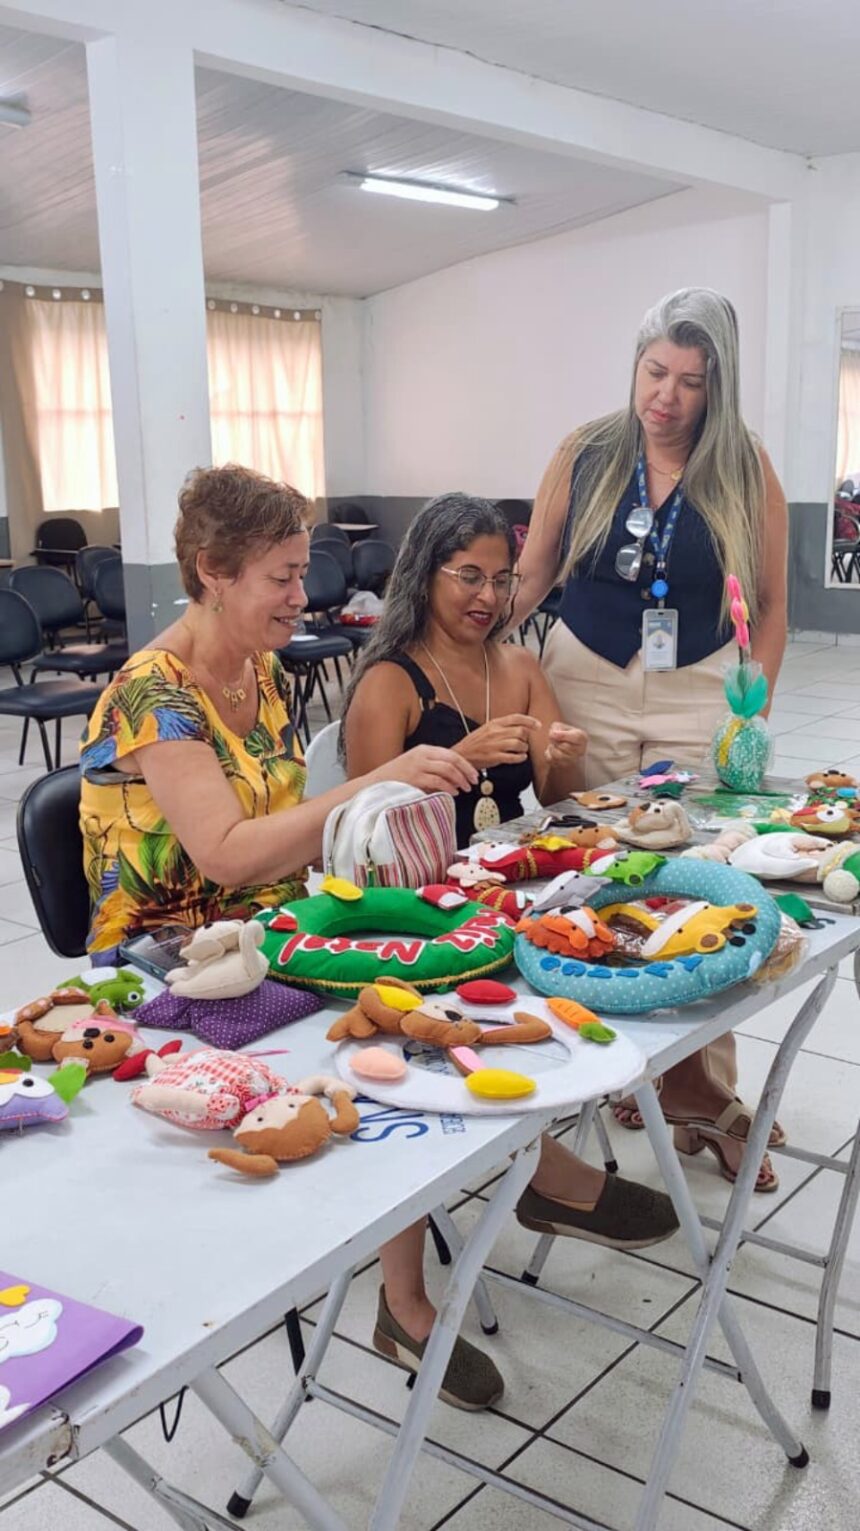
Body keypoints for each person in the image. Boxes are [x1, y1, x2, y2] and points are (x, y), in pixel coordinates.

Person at [341, 492, 678, 1411]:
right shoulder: (391, 683)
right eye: (468, 576)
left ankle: (540, 1167)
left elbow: (556, 794)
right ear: (426, 574)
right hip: (411, 912)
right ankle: (404, 1300)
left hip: (499, 896)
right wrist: (460, 755)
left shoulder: (520, 664)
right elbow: (361, 827)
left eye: (500, 577)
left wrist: (559, 750)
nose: (487, 595)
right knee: (420, 1048)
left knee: (578, 974)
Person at [508, 287, 789, 1192]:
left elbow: (773, 608)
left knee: (696, 875)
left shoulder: (744, 464)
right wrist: (452, 636)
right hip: (584, 676)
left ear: (718, 387)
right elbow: (533, 574)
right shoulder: (586, 451)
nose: (665, 397)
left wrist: (751, 714)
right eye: (654, 371)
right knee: (592, 866)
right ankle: (615, 1058)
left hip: (699, 687)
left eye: (690, 381)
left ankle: (700, 1088)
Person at [80, 465, 478, 960]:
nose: (301, 597)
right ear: (212, 571)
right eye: (281, 578)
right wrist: (382, 781)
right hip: (170, 959)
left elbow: (281, 817)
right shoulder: (154, 692)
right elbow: (226, 856)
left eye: (302, 575)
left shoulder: (263, 669)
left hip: (268, 931)